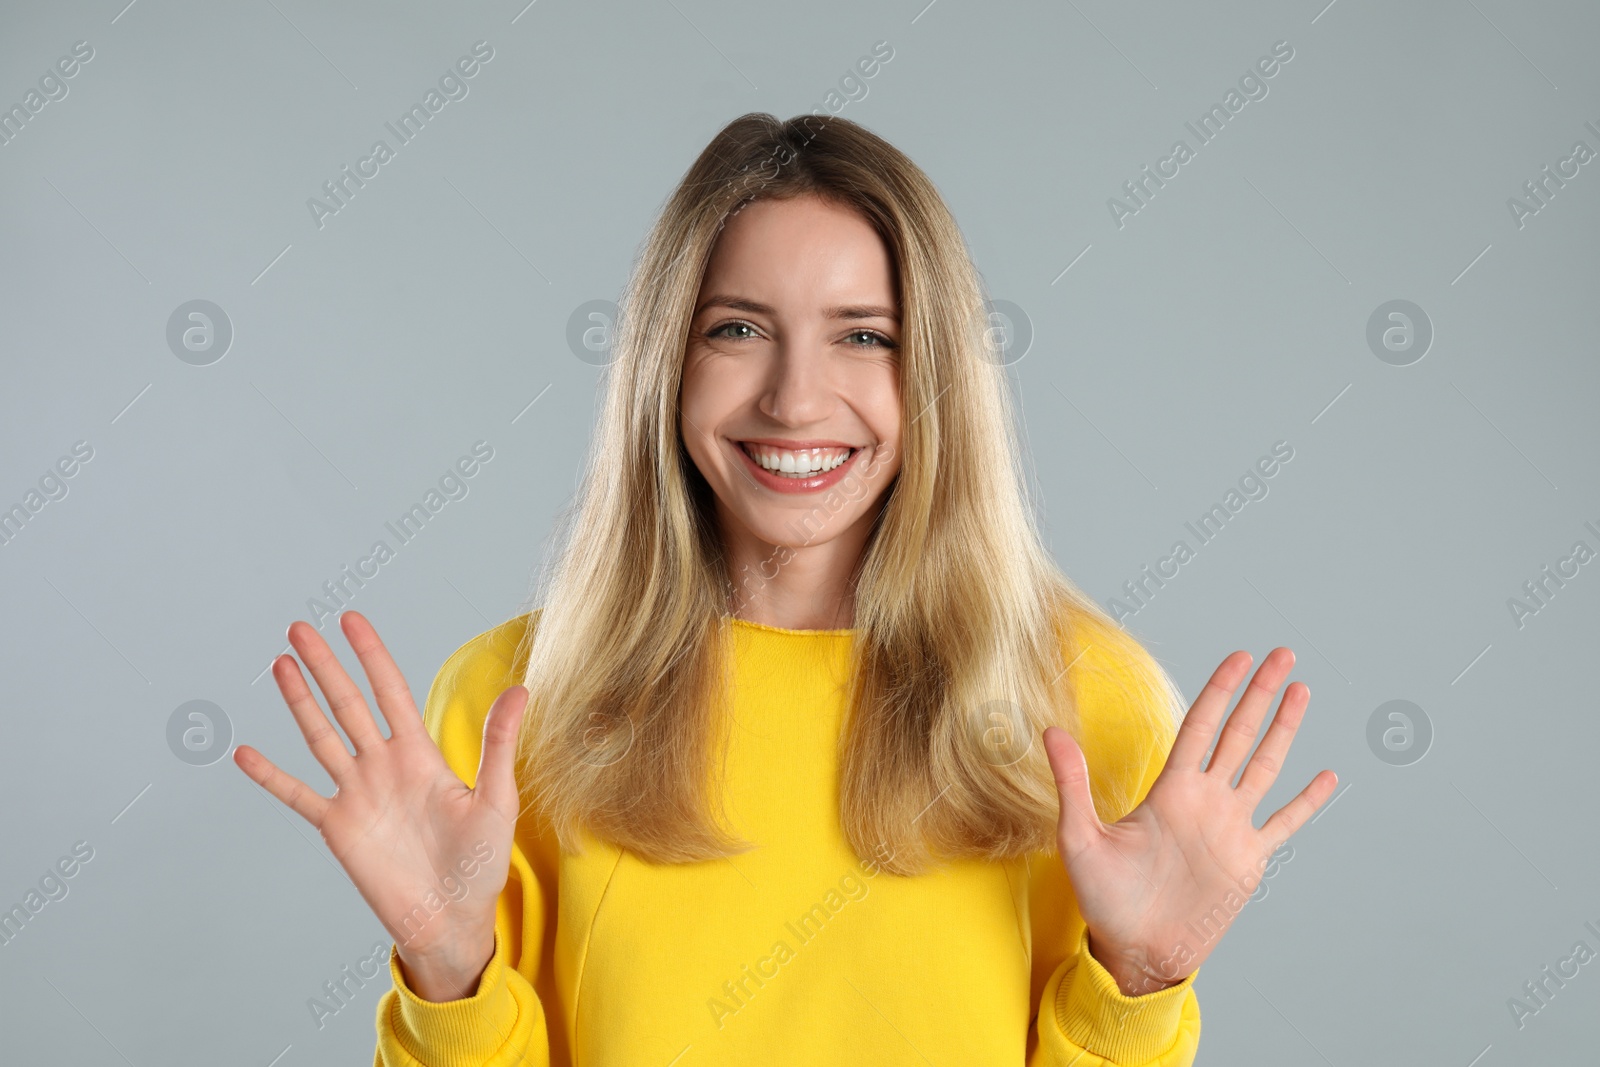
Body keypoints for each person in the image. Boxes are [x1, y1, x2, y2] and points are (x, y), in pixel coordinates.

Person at [234, 112, 1336, 1066]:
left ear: (937, 376)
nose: (796, 398)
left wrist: (1137, 981)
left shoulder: (1084, 700)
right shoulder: (512, 703)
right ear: (666, 361)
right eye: (737, 329)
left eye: (865, 336)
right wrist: (443, 959)